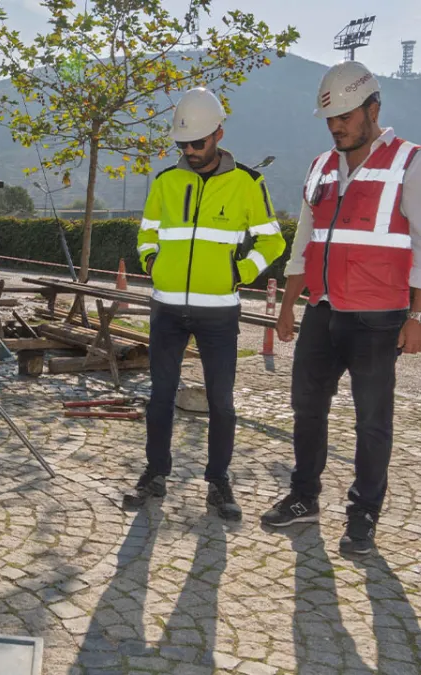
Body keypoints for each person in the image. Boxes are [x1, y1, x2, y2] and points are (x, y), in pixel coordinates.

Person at [260, 62, 421, 555]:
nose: (337, 125)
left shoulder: (414, 162)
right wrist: (289, 306)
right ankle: (304, 497)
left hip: (378, 318)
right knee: (306, 409)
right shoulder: (320, 166)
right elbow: (305, 240)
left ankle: (363, 513)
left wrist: (420, 315)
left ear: (373, 108)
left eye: (345, 115)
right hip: (322, 311)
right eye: (330, 118)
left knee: (372, 420)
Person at [125, 87, 286, 520]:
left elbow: (273, 240)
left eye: (197, 143)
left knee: (221, 400)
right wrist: (152, 261)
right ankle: (155, 473)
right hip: (167, 308)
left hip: (219, 311)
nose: (190, 152)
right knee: (159, 396)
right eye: (183, 144)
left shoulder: (248, 184)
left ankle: (218, 482)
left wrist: (241, 272)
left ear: (218, 133)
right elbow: (146, 233)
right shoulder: (165, 181)